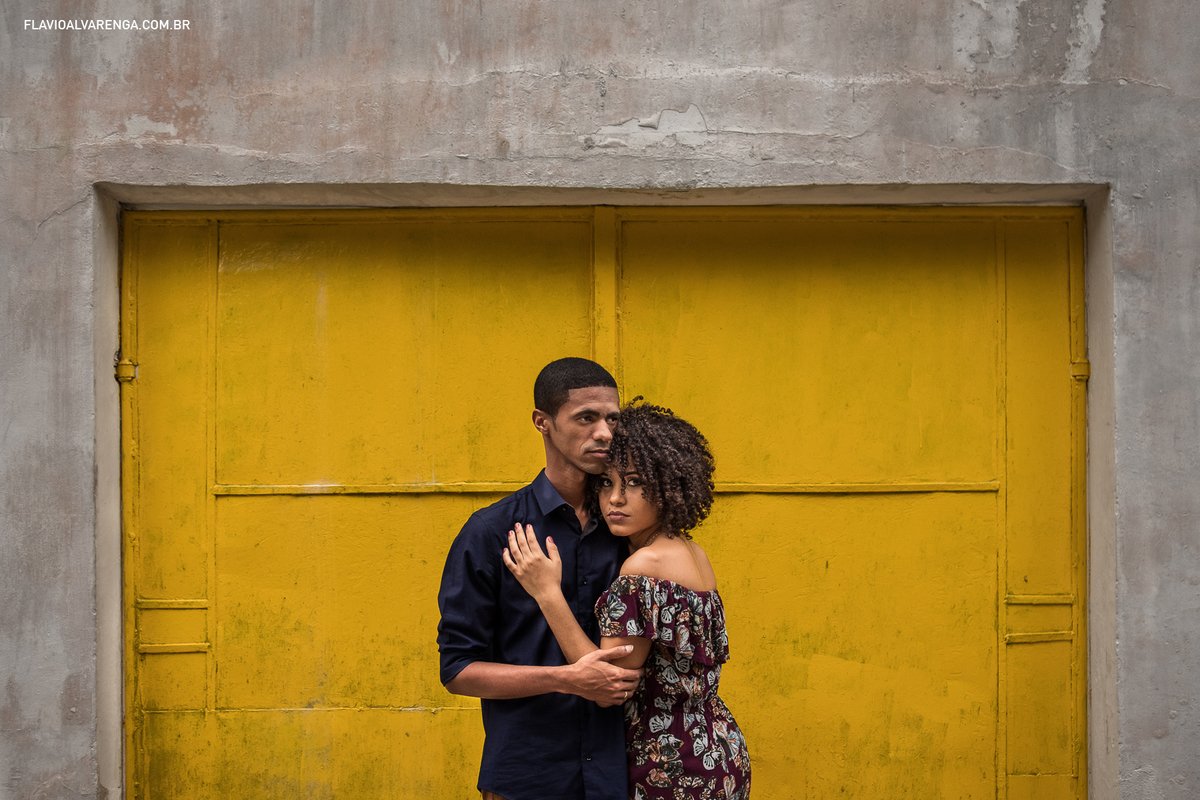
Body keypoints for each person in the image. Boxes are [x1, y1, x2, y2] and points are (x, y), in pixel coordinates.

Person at [503, 399, 751, 800]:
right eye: (607, 482)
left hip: (670, 763)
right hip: (719, 748)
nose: (615, 498)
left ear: (670, 486)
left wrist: (547, 593)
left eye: (634, 482)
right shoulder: (693, 553)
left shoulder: (643, 567)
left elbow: (608, 683)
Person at [437, 357, 644, 800]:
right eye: (586, 418)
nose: (605, 433)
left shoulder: (628, 528)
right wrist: (564, 678)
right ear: (542, 422)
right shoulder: (493, 532)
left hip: (620, 775)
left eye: (612, 418)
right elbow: (458, 670)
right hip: (527, 777)